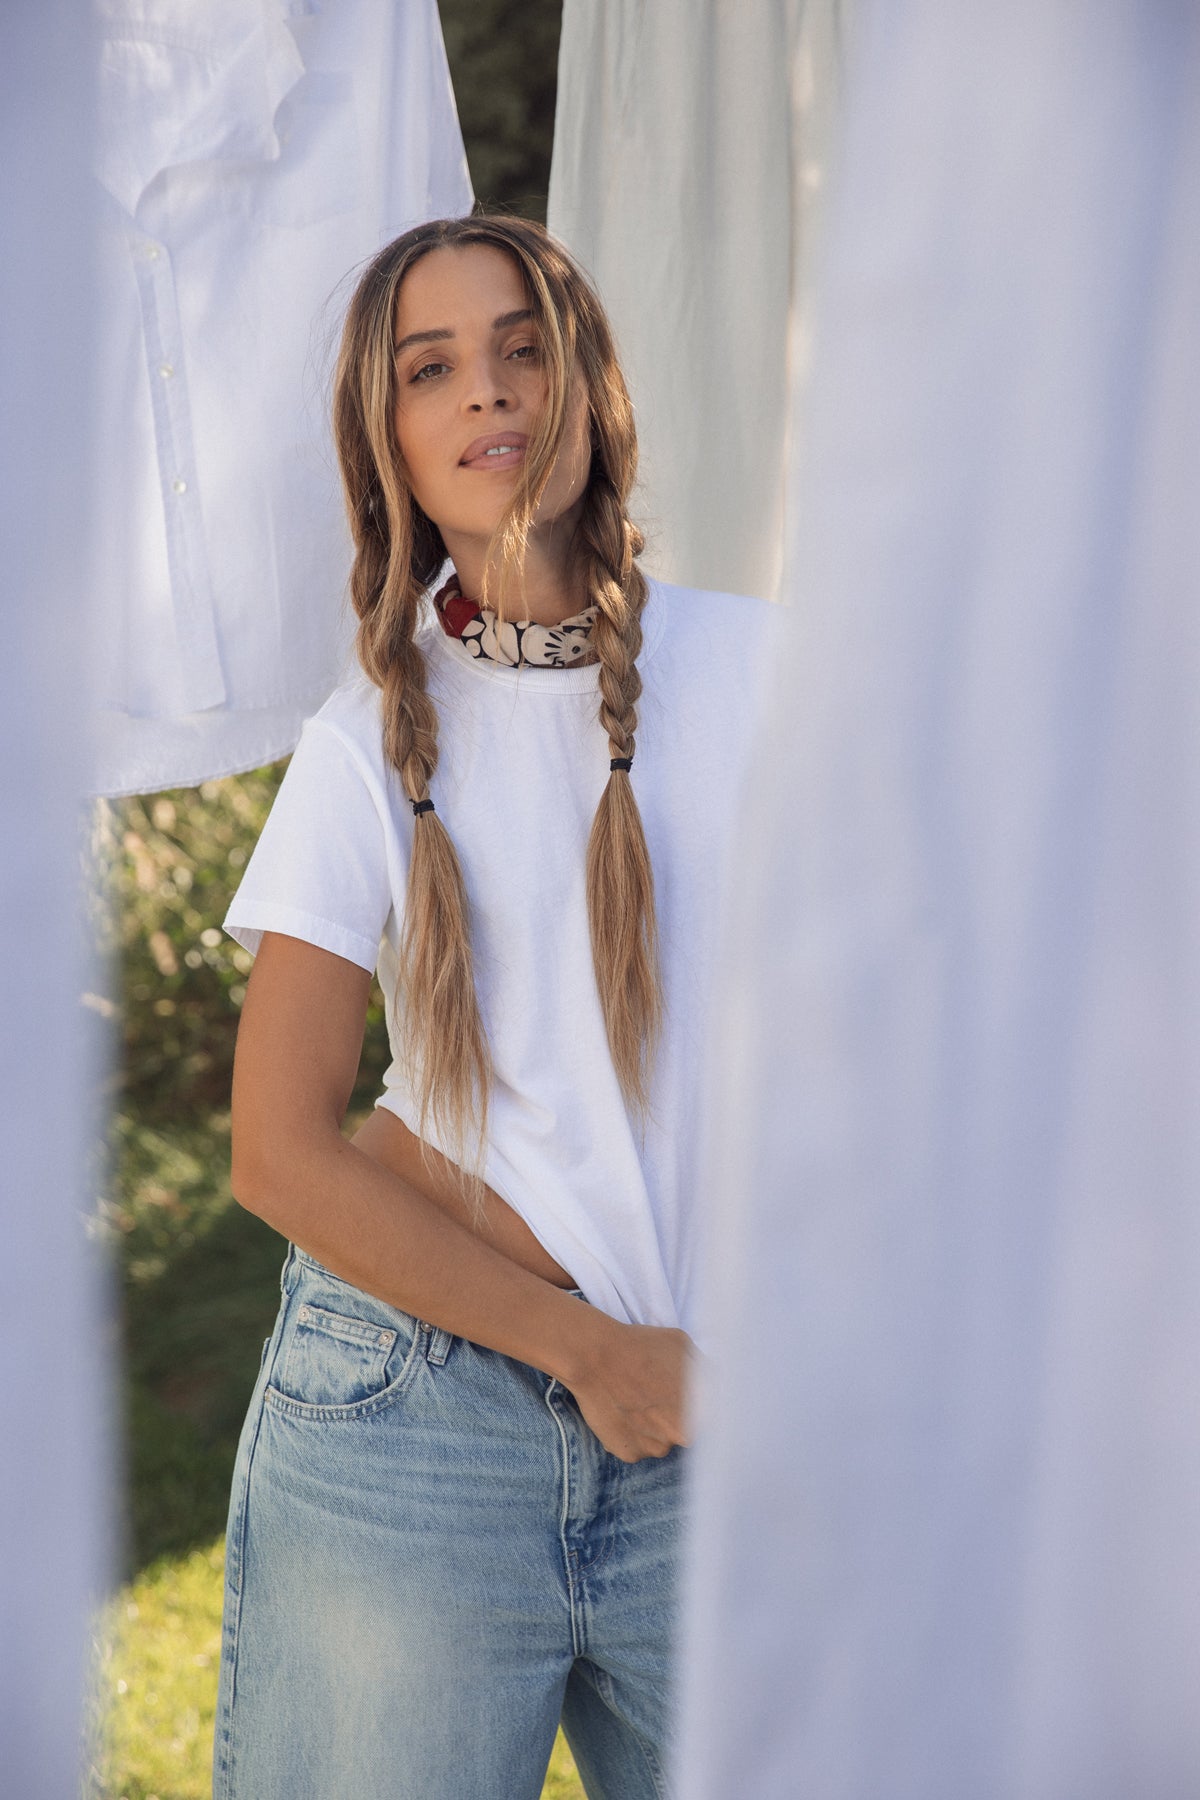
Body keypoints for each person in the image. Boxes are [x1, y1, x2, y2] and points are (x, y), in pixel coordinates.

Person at [212, 214, 774, 1800]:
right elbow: (275, 1148)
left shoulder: (770, 678)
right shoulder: (364, 750)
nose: (490, 393)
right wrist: (580, 1345)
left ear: (588, 383)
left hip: (709, 1416)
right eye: (434, 367)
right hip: (418, 1420)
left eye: (525, 346)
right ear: (385, 437)